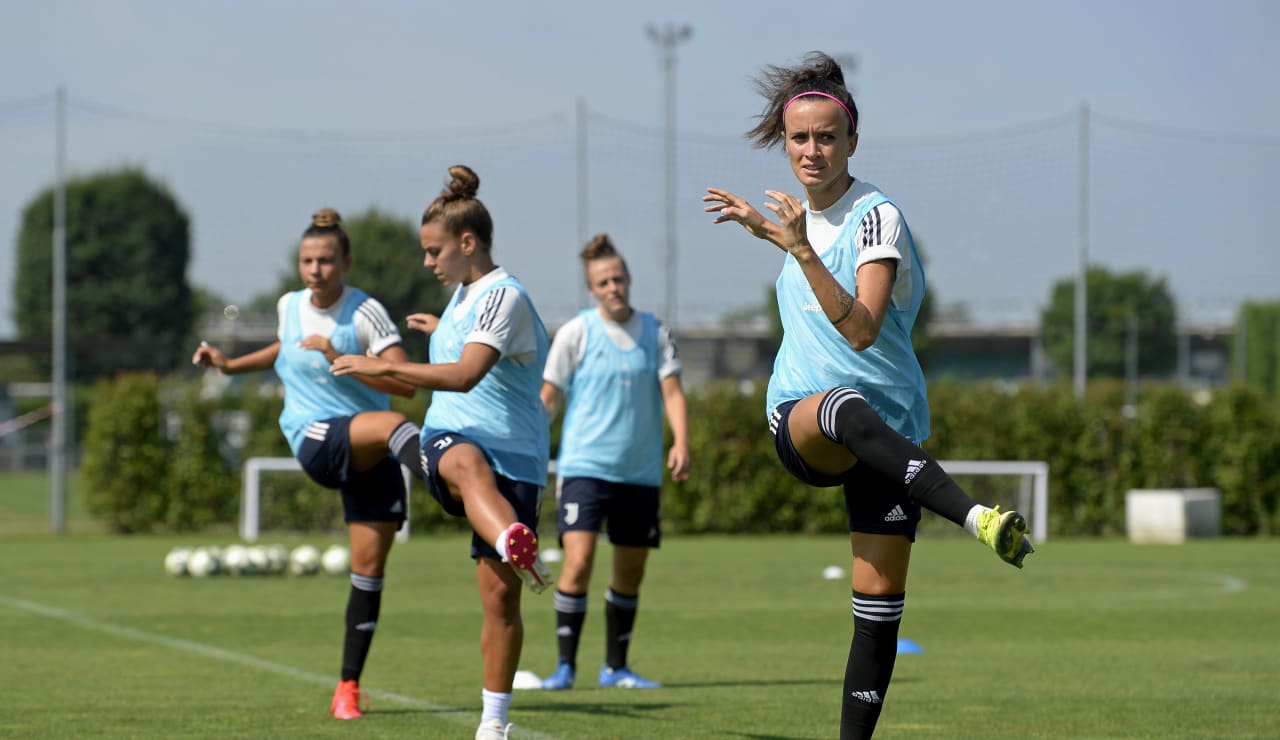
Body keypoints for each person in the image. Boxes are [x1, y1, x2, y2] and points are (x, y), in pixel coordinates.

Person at [703, 52, 1035, 739]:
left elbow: (860, 329)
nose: (812, 150)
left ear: (853, 140)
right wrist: (768, 232)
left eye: (827, 137)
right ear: (783, 142)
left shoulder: (877, 217)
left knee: (878, 605)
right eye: (799, 138)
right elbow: (814, 263)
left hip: (886, 431)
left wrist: (793, 246)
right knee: (839, 406)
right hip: (806, 420)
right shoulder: (804, 226)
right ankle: (974, 517)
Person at [330, 165, 552, 740]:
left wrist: (383, 364)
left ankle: (493, 725)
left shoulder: (503, 297)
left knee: (501, 602)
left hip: (519, 459)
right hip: (452, 443)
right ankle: (513, 538)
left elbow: (466, 375)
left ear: (467, 243)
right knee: (463, 460)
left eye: (435, 251)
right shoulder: (465, 298)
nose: (428, 262)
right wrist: (441, 326)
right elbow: (461, 362)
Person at [192, 208, 428, 721]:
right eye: (307, 261)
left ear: (346, 263)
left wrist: (340, 355)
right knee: (393, 430)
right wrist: (230, 365)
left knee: (369, 574)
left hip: (373, 450)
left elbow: (405, 384)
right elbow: (284, 349)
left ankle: (347, 688)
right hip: (317, 439)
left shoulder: (366, 314)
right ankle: (453, 491)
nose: (315, 270)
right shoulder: (290, 305)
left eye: (325, 261)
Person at [537, 234, 691, 692]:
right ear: (592, 288)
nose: (613, 287)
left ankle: (616, 668)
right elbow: (549, 397)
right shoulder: (575, 333)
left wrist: (682, 441)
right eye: (603, 282)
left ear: (629, 280)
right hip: (584, 468)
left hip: (639, 473)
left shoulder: (656, 332)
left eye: (619, 278)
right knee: (578, 561)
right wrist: (527, 440)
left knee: (630, 572)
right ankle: (565, 667)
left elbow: (673, 392)